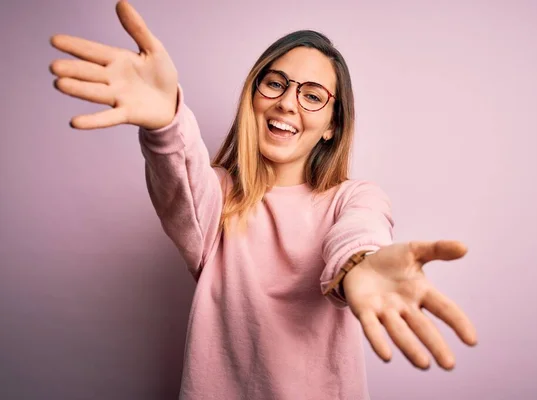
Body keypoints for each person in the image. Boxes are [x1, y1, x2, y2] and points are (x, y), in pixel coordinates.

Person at [49, 1, 477, 399]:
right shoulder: (217, 198)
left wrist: (360, 265)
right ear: (253, 95)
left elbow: (359, 232)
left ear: (332, 124)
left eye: (312, 95)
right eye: (275, 84)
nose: (288, 103)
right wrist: (166, 123)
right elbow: (179, 179)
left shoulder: (353, 198)